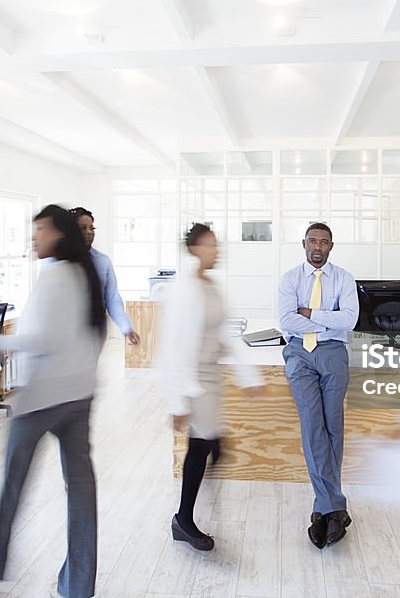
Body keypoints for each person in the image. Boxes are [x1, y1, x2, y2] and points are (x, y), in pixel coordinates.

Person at [0, 205, 106, 598]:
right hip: (79, 395)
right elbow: (92, 336)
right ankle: (78, 586)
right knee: (81, 492)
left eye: (38, 230)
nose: (33, 238)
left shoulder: (54, 274)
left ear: (57, 233)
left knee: (12, 484)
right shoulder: (85, 272)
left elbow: (39, 339)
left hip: (42, 398)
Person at [155, 223, 263, 551]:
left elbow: (225, 335)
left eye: (217, 245)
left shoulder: (212, 287)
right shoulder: (181, 290)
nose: (217, 251)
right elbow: (170, 347)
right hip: (193, 380)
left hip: (212, 378)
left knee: (211, 445)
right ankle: (183, 521)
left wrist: (250, 378)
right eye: (210, 245)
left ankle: (190, 509)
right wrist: (177, 402)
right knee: (201, 445)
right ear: (193, 249)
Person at [277, 222, 359, 548]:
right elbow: (287, 321)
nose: (318, 247)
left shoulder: (344, 278)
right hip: (299, 353)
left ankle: (323, 509)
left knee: (332, 427)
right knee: (313, 426)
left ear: (331, 246)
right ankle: (334, 507)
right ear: (304, 243)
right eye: (313, 240)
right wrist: (329, 317)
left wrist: (310, 312)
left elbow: (349, 319)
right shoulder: (289, 279)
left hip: (334, 353)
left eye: (324, 242)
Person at [69, 207, 141, 345]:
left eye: (92, 228)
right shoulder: (56, 263)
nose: (89, 232)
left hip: (93, 337)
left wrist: (127, 328)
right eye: (83, 228)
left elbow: (112, 299)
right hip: (67, 336)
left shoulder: (103, 262)